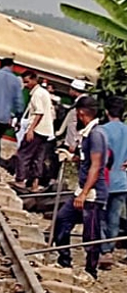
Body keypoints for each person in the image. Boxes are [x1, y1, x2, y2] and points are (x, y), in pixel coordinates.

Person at [54, 96, 107, 280]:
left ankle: (91, 271)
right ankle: (64, 260)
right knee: (62, 220)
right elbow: (86, 161)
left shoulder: (96, 134)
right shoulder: (87, 133)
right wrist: (71, 157)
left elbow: (96, 165)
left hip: (92, 194)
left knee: (90, 236)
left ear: (81, 112)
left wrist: (84, 193)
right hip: (82, 190)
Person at [98, 96, 127, 270]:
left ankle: (103, 251)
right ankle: (109, 249)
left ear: (106, 111)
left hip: (105, 180)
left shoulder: (103, 130)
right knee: (114, 218)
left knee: (100, 216)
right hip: (123, 180)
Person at [13, 70, 54, 192]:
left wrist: (30, 129)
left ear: (34, 80)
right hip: (46, 131)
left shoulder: (36, 94)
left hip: (37, 129)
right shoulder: (44, 92)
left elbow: (39, 112)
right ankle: (35, 184)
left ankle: (20, 180)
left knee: (23, 154)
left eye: (27, 82)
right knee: (38, 157)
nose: (26, 85)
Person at [55, 79, 89, 153]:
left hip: (75, 144)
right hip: (71, 141)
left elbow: (82, 125)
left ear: (74, 90)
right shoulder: (78, 102)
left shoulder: (82, 104)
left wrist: (74, 143)